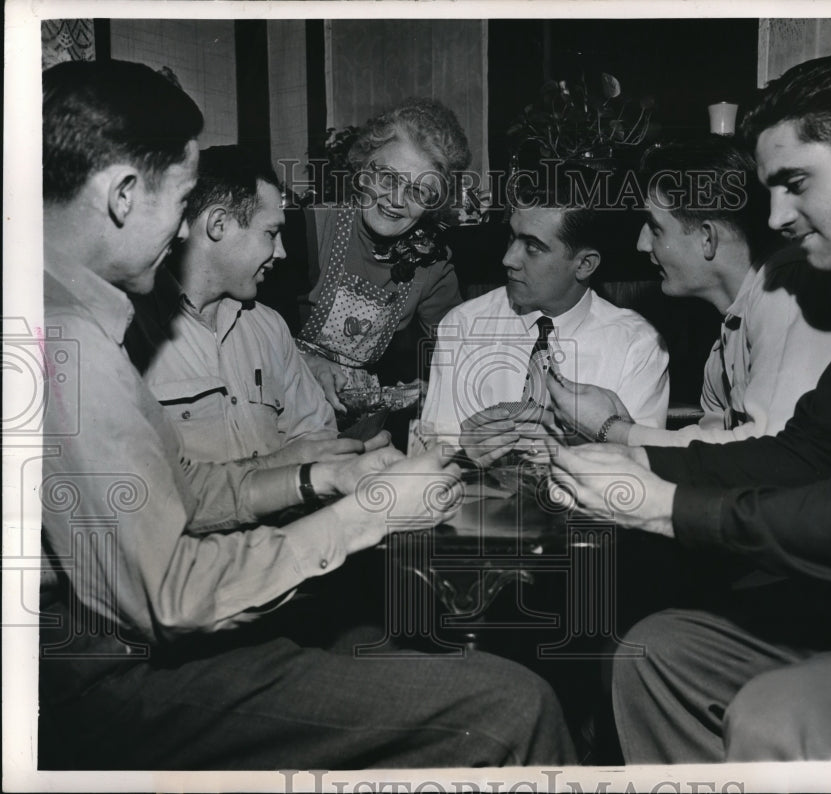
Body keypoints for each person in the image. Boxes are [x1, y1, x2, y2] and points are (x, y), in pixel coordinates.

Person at [39, 59, 576, 770]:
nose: (185, 231)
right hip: (103, 681)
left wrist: (317, 477)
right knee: (512, 703)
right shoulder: (70, 343)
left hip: (128, 646)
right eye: (184, 201)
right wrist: (371, 510)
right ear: (122, 195)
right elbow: (171, 596)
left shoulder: (66, 316)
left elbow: (176, 491)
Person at [548, 50, 831, 761]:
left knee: (779, 717)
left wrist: (666, 507)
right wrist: (634, 463)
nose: (775, 216)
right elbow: (806, 453)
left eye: (795, 183)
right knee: (659, 653)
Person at [547, 136, 831, 447]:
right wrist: (622, 431)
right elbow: (711, 456)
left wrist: (615, 431)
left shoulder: (788, 293)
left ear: (707, 238)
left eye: (655, 228)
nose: (642, 244)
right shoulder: (724, 346)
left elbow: (773, 449)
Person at [128, 144, 388, 472]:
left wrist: (350, 457)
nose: (281, 252)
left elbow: (315, 434)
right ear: (218, 224)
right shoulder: (130, 333)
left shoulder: (270, 328)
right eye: (271, 233)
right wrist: (282, 464)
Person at [421, 169, 671, 459]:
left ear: (584, 265)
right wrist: (462, 453)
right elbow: (429, 452)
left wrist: (572, 448)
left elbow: (643, 468)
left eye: (532, 247)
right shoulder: (464, 325)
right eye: (512, 238)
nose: (508, 259)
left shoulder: (637, 347)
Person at [297, 97, 469, 404]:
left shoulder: (431, 264)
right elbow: (241, 334)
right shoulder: (313, 229)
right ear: (364, 168)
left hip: (359, 419)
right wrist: (305, 362)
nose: (397, 200)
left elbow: (459, 356)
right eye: (388, 178)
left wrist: (434, 388)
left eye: (418, 191)